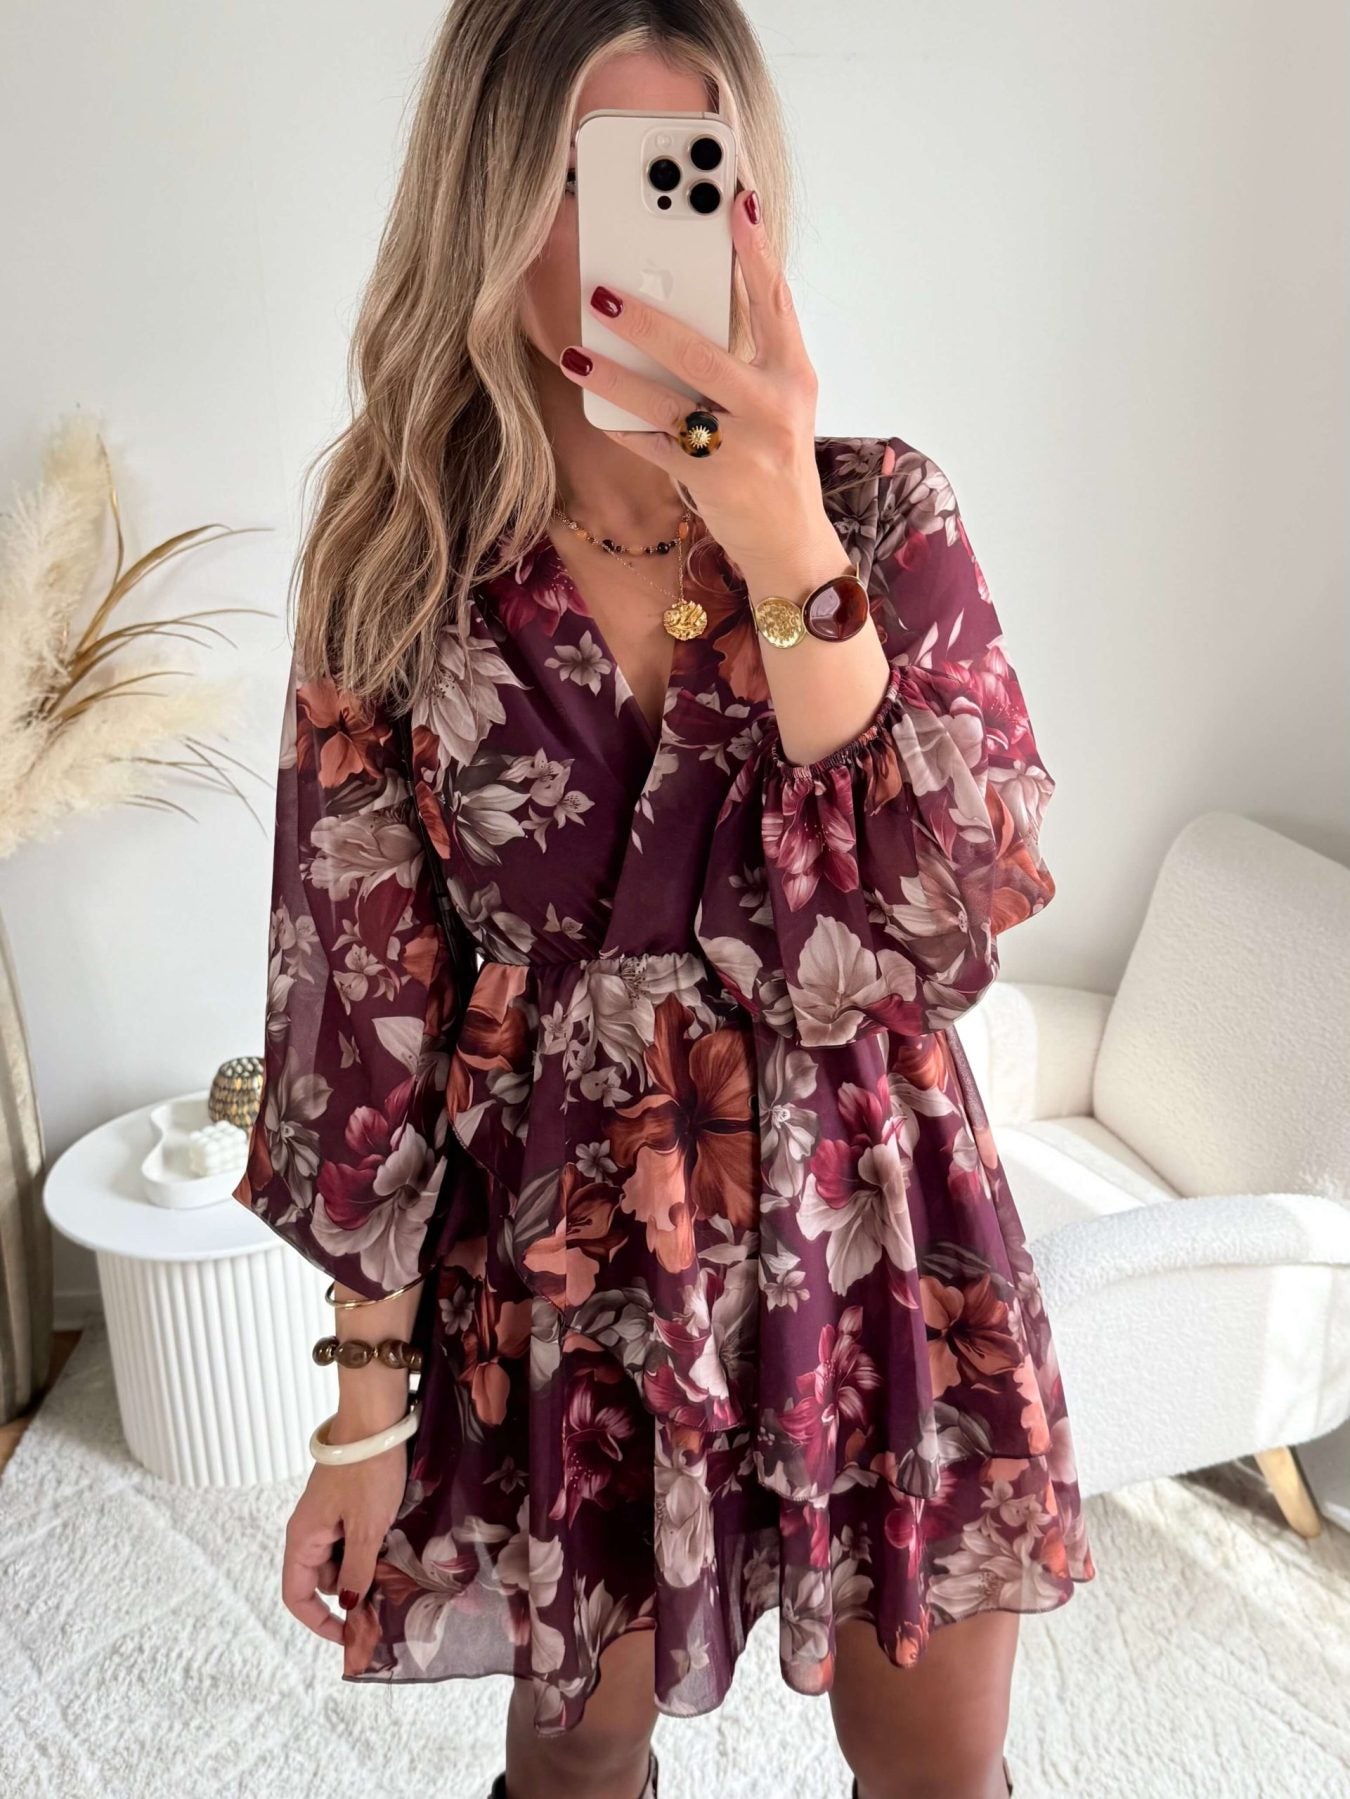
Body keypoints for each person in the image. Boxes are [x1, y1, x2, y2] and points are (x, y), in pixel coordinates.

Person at [232, 3, 1094, 1795]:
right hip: (574, 1273)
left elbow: (940, 924)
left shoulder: (878, 515)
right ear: (481, 201)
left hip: (877, 1233)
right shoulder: (400, 563)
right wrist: (361, 1410)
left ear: (744, 203)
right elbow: (354, 1009)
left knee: (937, 1771)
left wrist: (781, 537)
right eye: (577, 176)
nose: (628, 232)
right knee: (573, 1766)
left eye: (676, 174)